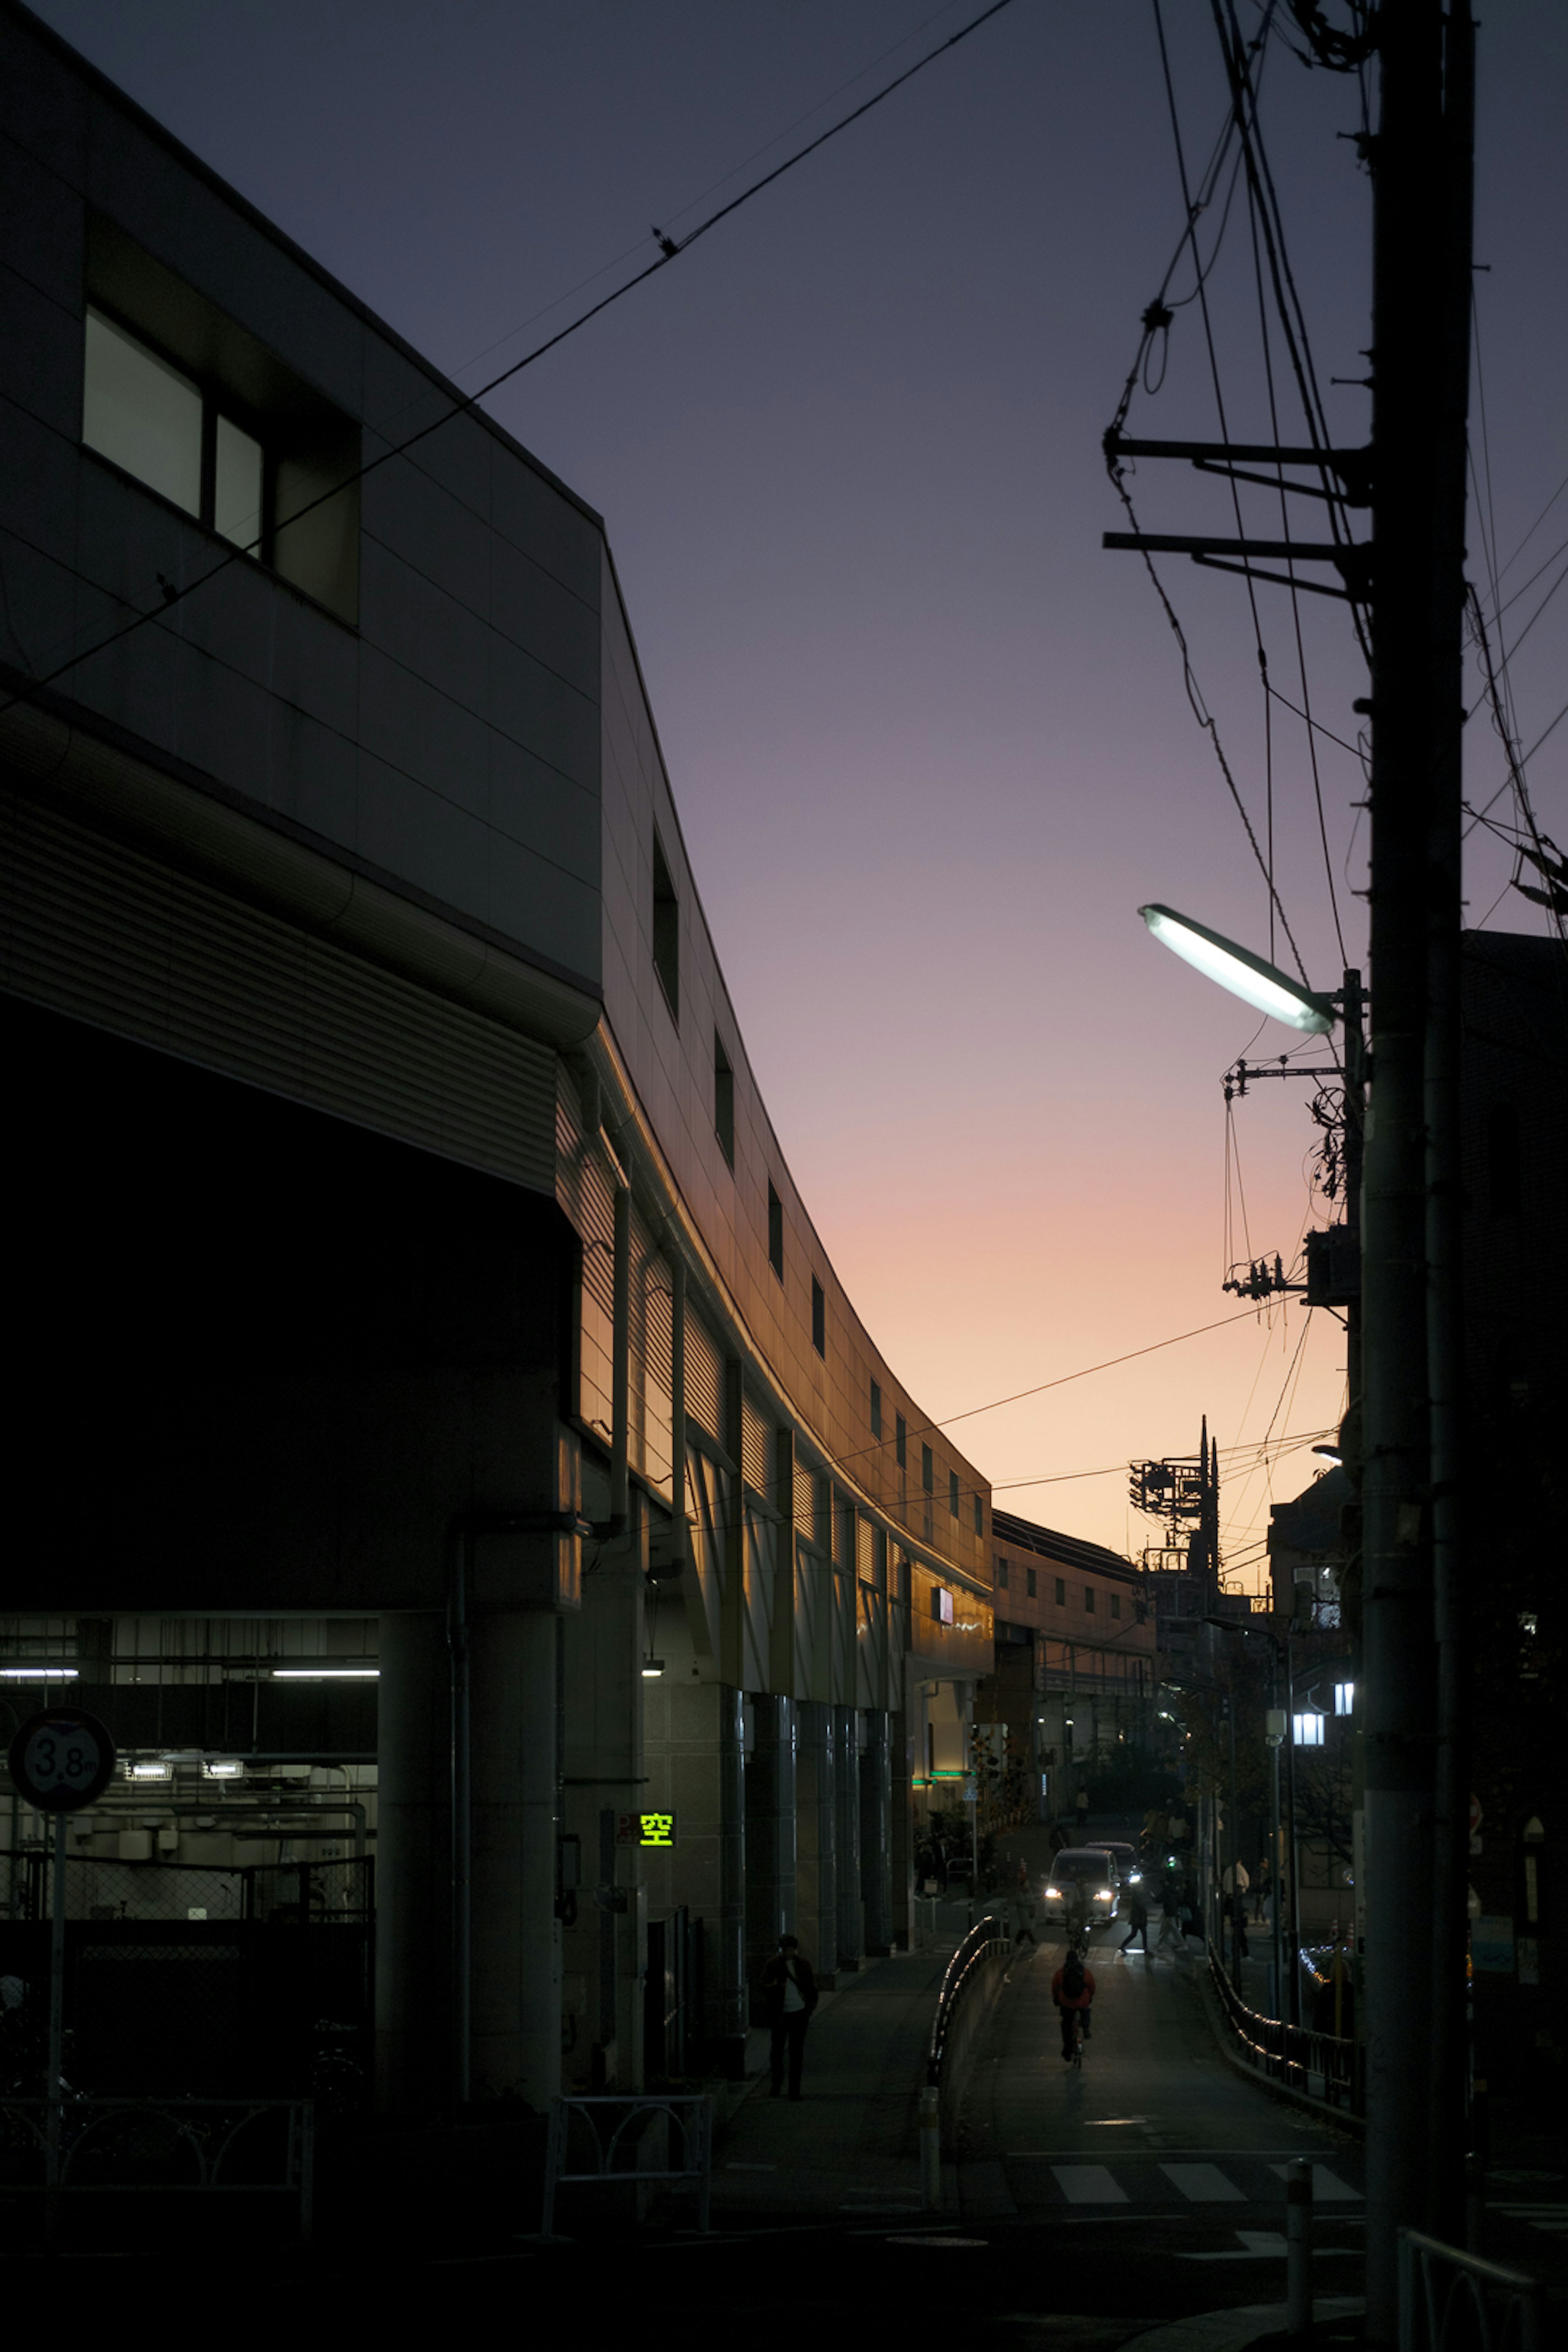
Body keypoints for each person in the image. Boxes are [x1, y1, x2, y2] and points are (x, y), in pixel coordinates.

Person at [760, 1933, 818, 2100]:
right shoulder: (773, 1965)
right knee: (778, 2051)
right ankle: (777, 2086)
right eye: (786, 1950)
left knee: (796, 2052)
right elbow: (763, 1985)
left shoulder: (803, 1965)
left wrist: (810, 2007)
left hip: (799, 2012)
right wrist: (775, 1987)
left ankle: (794, 2090)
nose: (789, 1953)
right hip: (781, 2014)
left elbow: (811, 1987)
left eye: (791, 1949)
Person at [1051, 1943, 1096, 2059]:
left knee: (1067, 2023)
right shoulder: (1085, 1972)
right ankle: (1086, 2027)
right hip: (1082, 2001)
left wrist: (1056, 1999)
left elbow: (1055, 1987)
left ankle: (1067, 2050)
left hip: (1067, 2002)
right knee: (1085, 2010)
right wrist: (1090, 1997)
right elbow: (1092, 1987)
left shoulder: (1061, 1973)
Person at [1119, 1882, 1150, 1953]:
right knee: (1139, 1934)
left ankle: (1123, 1946)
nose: (1143, 1888)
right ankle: (1145, 1948)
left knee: (1136, 1934)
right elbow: (1141, 1906)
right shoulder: (1137, 1896)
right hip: (1138, 1918)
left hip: (1137, 1918)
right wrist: (1145, 1910)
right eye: (1141, 1887)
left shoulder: (1137, 1895)